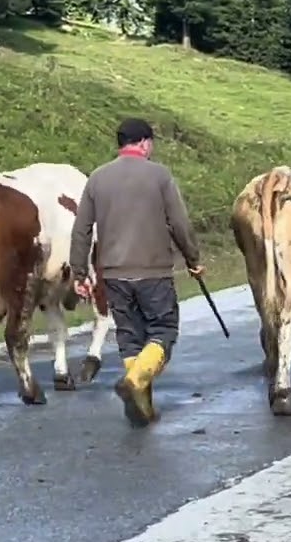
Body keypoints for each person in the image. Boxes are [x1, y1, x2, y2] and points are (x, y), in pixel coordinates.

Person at [69, 118, 204, 428]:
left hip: (113, 274)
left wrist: (80, 273)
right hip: (153, 271)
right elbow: (180, 223)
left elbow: (82, 230)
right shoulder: (160, 175)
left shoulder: (97, 178)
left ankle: (142, 406)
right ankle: (134, 381)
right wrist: (193, 259)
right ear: (144, 142)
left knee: (130, 338)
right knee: (163, 330)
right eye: (151, 142)